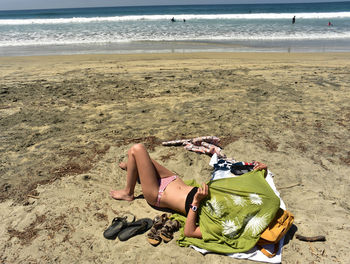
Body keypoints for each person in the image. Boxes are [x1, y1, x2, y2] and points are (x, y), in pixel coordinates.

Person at [110, 143, 269, 238]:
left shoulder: (225, 224)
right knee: (137, 156)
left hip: (158, 193)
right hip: (173, 179)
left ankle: (128, 193)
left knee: (137, 149)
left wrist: (195, 203)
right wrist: (262, 171)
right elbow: (252, 189)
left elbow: (190, 232)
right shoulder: (233, 201)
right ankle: (133, 167)